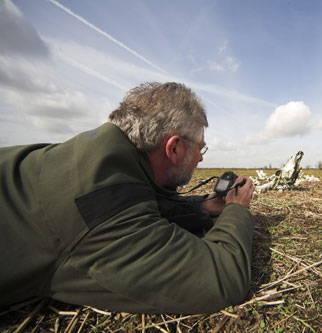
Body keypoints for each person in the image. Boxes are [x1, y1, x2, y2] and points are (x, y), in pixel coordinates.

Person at [0, 82, 255, 314]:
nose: (201, 157)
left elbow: (138, 200)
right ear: (174, 147)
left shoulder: (101, 157)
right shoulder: (100, 200)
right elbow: (222, 278)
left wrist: (201, 206)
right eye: (201, 147)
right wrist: (236, 210)